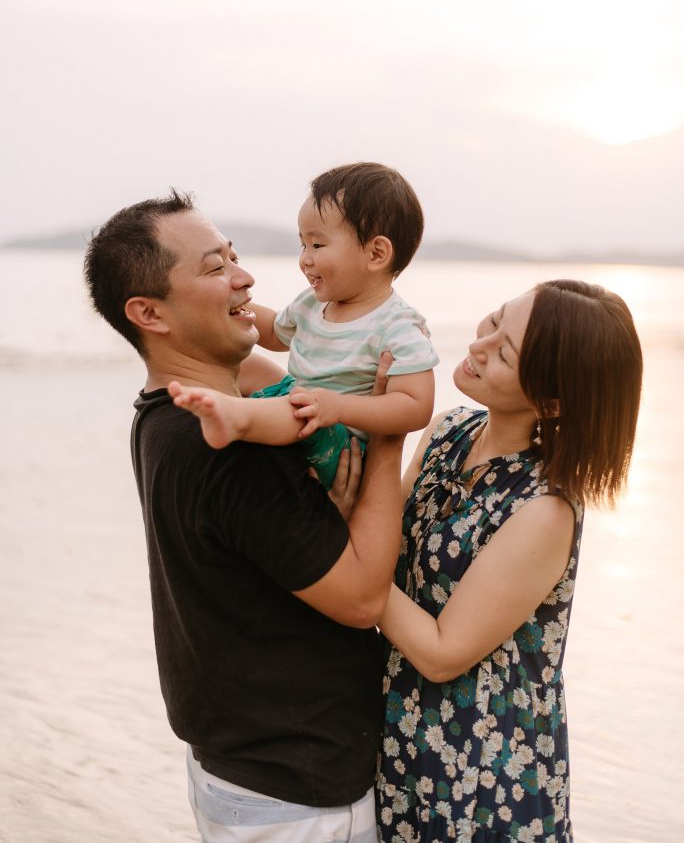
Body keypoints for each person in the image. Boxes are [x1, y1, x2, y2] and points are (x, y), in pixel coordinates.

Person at [82, 189, 407, 843]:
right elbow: (363, 596)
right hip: (299, 800)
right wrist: (388, 421)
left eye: (234, 256)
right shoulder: (226, 450)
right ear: (149, 312)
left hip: (241, 776)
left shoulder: (166, 412)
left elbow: (272, 375)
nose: (245, 276)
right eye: (213, 267)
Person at [372, 280, 642, 842]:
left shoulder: (546, 507)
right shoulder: (448, 432)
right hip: (399, 744)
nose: (479, 344)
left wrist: (344, 572)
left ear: (552, 401)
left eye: (504, 350)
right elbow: (384, 544)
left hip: (483, 778)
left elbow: (443, 653)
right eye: (493, 321)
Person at [168, 162, 438, 489]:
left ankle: (236, 417)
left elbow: (414, 407)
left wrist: (337, 407)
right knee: (252, 369)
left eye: (318, 245)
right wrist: (219, 301)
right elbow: (271, 333)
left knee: (297, 408)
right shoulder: (312, 305)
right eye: (302, 244)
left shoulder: (397, 326)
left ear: (376, 253)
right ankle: (223, 411)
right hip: (304, 404)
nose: (305, 259)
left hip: (343, 442)